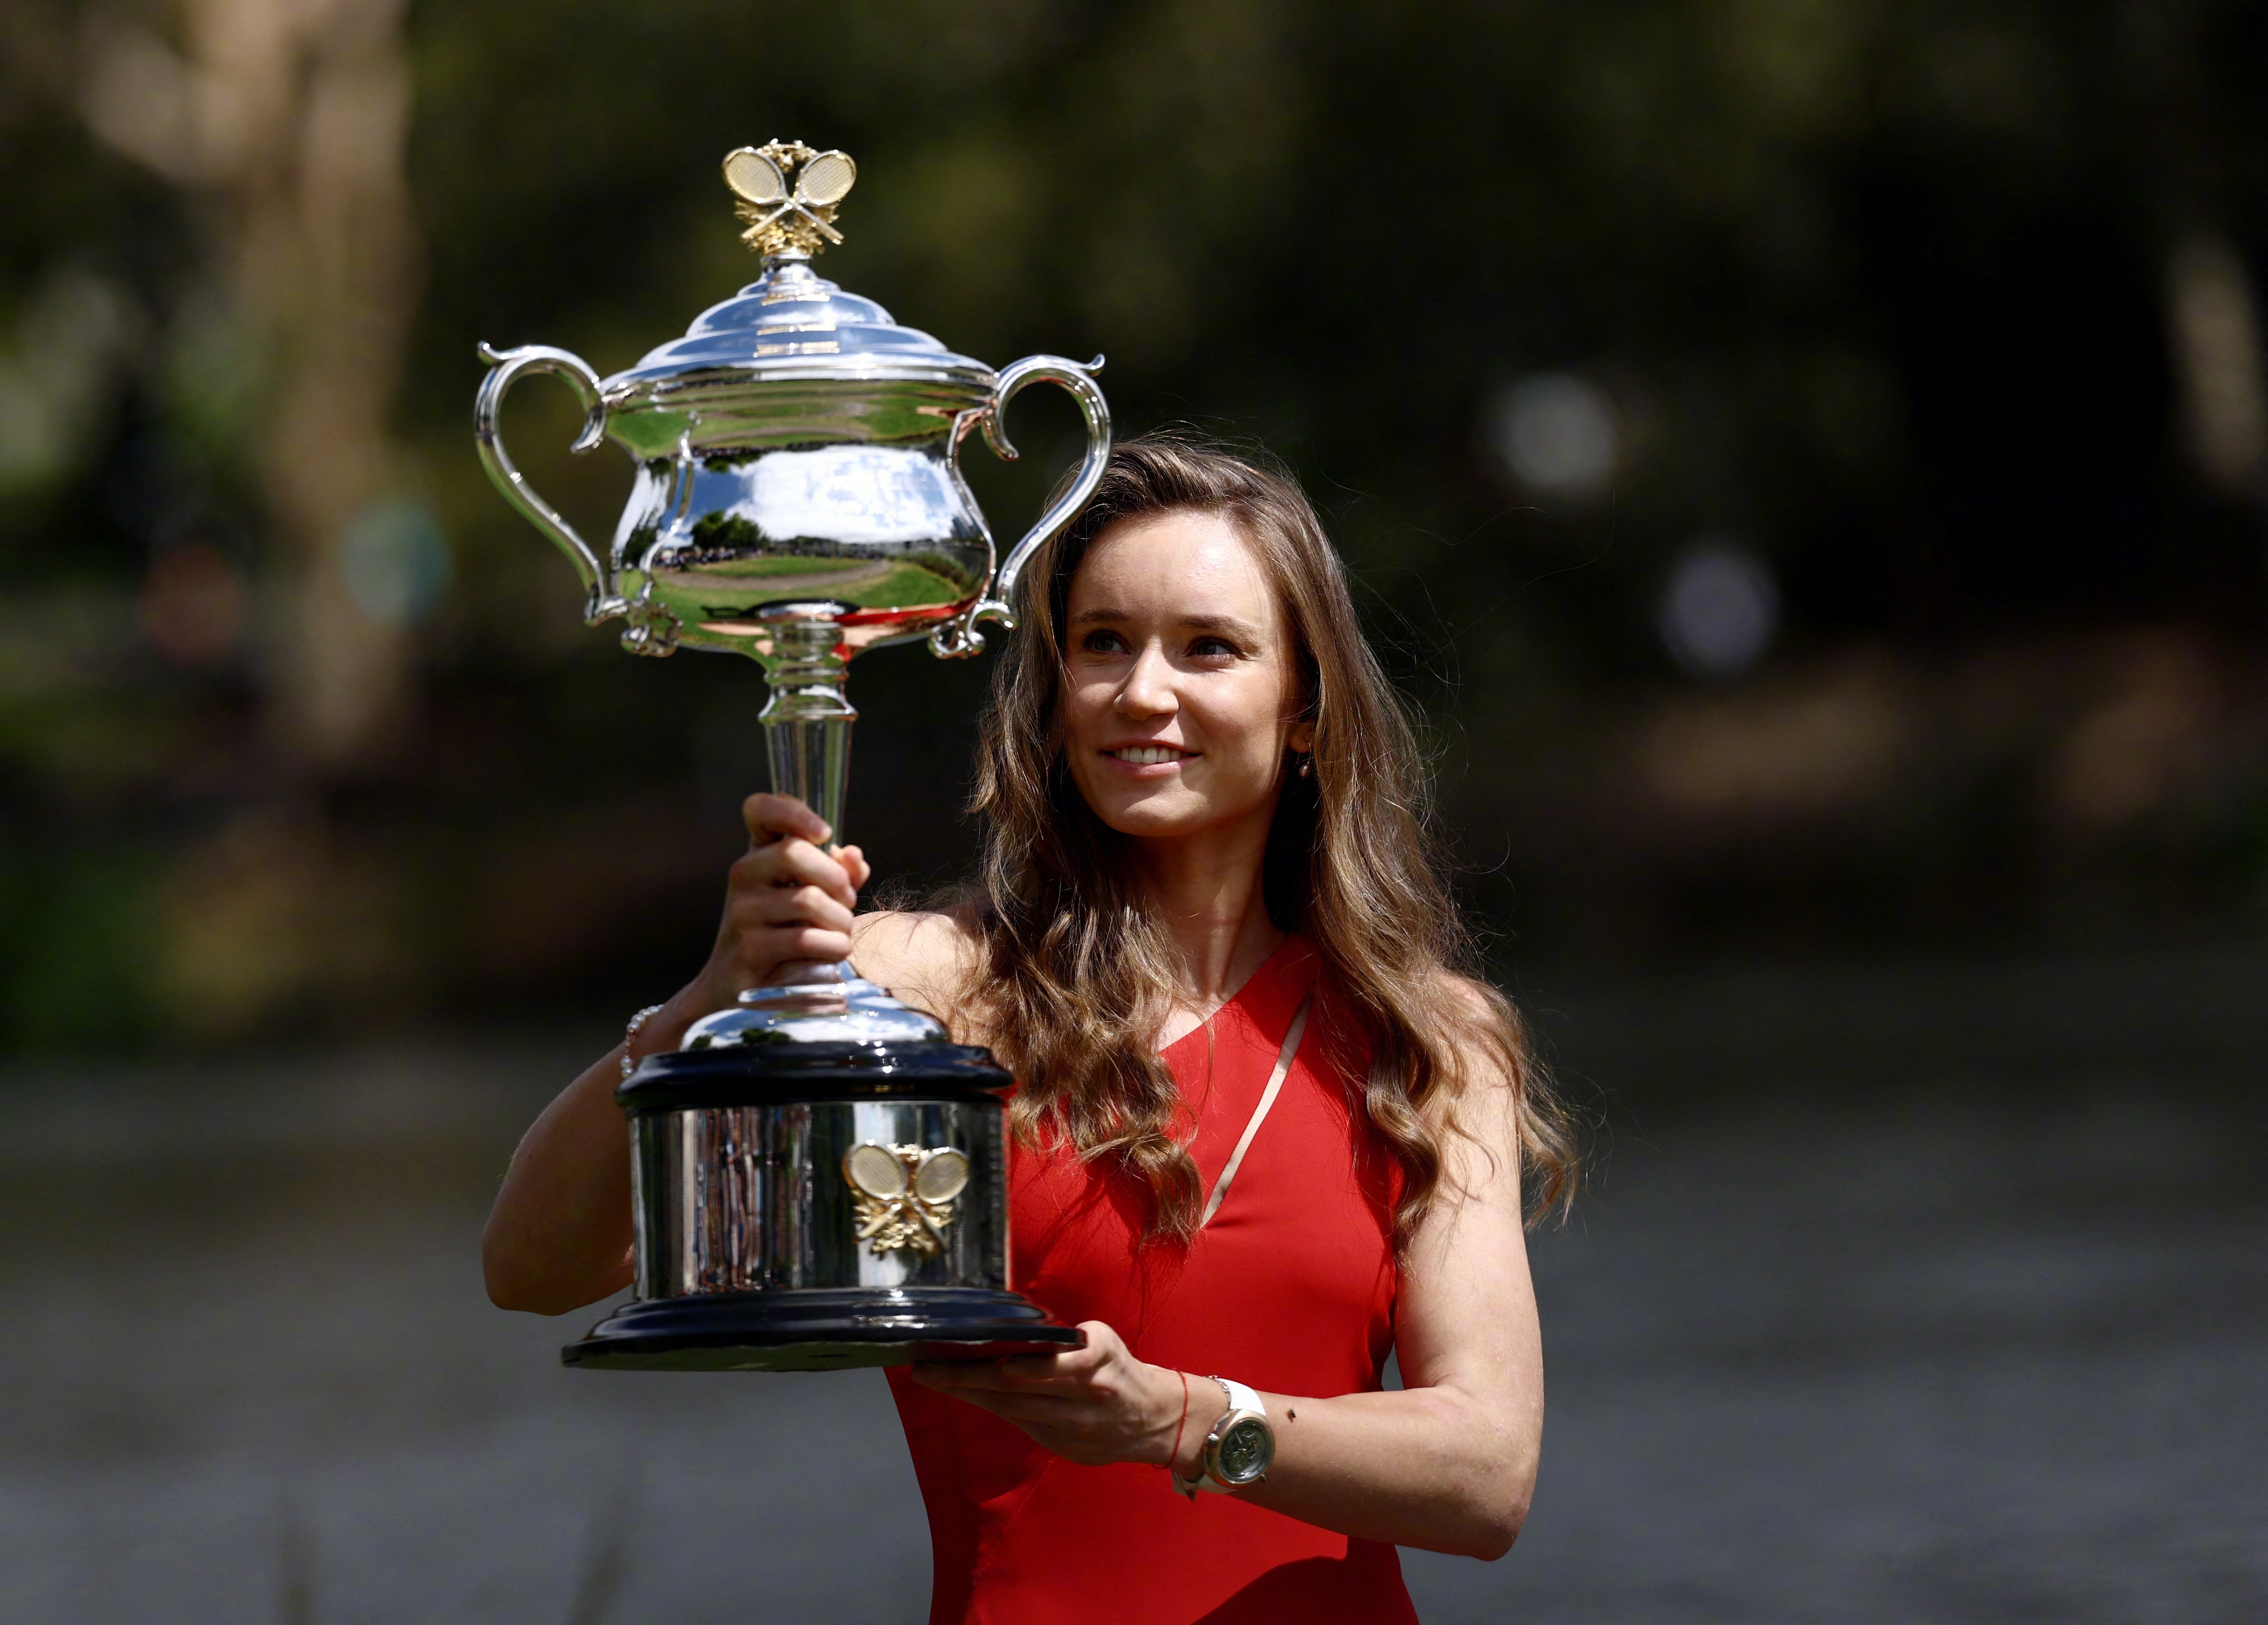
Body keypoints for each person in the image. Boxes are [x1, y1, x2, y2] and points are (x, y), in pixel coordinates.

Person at [483, 436, 1578, 1624]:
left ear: (1305, 709)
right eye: (1102, 642)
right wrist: (711, 998)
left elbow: (1487, 1475)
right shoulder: (926, 989)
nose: (1141, 691)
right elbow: (536, 1270)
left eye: (1207, 647)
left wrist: (1181, 1419)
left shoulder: (1429, 1038)